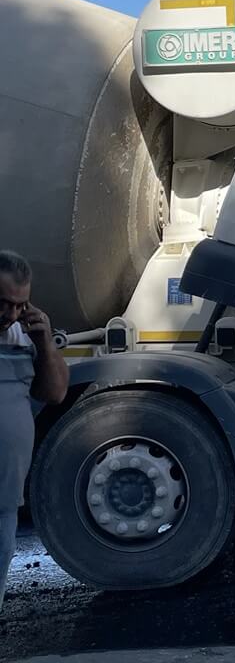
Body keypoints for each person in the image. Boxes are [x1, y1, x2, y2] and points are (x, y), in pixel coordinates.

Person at [0, 251, 68, 613]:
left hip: (4, 498)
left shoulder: (23, 337)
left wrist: (44, 344)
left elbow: (53, 393)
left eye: (20, 305)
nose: (11, 314)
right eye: (3, 304)